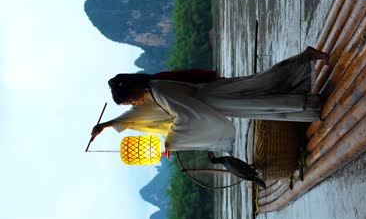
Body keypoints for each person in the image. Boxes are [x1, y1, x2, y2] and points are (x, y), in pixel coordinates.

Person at [91, 46, 328, 152]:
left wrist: (171, 141)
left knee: (263, 97)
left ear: (133, 91)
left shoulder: (159, 92)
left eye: (130, 101)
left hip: (215, 99)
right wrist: (108, 124)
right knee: (261, 86)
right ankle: (305, 68)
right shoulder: (153, 90)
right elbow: (137, 116)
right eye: (129, 105)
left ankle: (306, 71)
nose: (133, 105)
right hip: (213, 94)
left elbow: (186, 116)